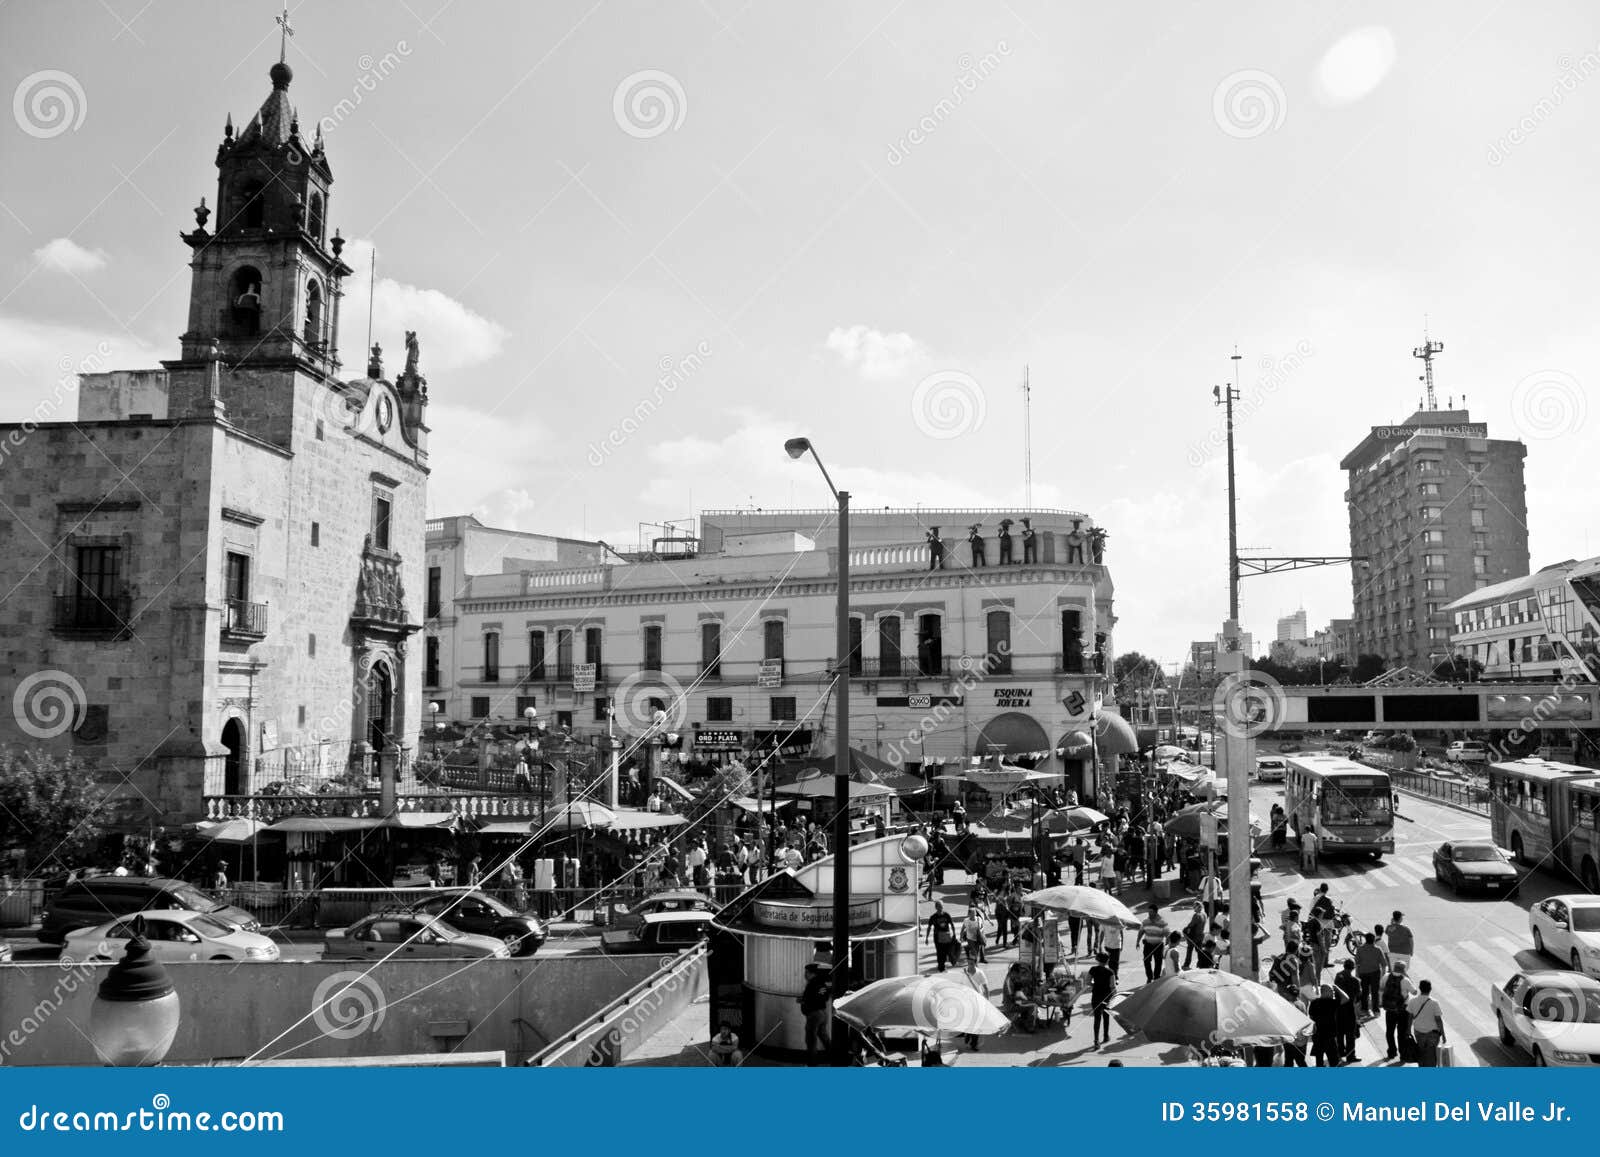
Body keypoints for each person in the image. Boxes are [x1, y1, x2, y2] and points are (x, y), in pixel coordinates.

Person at [1381, 961, 1417, 1061]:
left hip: (1389, 1009)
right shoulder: (1405, 980)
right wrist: (1409, 979)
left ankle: (1391, 1052)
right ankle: (1403, 1054)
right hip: (1403, 1010)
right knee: (1401, 1033)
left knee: (1389, 1031)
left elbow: (1381, 987)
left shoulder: (1386, 976)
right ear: (1403, 970)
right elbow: (1414, 992)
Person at [1407, 979, 1447, 1067]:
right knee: (1431, 1056)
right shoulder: (1434, 1003)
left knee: (1421, 1053)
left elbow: (1409, 1018)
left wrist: (1408, 1030)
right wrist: (1443, 1035)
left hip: (1418, 1033)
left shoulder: (1412, 1001)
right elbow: (1438, 1020)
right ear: (1430, 989)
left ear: (1420, 988)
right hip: (1432, 1034)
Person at [798, 965, 833, 1065]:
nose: (804, 975)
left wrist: (802, 1000)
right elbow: (824, 997)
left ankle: (812, 1063)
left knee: (810, 1040)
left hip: (814, 1014)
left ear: (811, 973)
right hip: (823, 1013)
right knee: (823, 1036)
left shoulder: (811, 984)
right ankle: (833, 1056)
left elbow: (809, 998)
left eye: (806, 972)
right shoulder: (822, 982)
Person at [958, 957, 990, 1050]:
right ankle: (968, 1035)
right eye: (968, 963)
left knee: (976, 1023)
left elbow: (986, 988)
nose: (969, 966)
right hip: (966, 1001)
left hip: (977, 1000)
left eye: (971, 964)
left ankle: (973, 1044)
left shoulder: (980, 973)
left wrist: (987, 1002)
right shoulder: (964, 973)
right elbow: (959, 986)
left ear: (975, 964)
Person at [1334, 959, 1362, 1062]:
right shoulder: (1356, 981)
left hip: (1339, 1009)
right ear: (1353, 968)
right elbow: (1359, 996)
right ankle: (1350, 1055)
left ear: (1344, 966)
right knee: (1350, 1034)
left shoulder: (1338, 976)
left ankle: (1341, 1052)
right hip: (1350, 1009)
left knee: (1340, 1032)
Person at [1355, 932, 1388, 1020]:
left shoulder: (1360, 949)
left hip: (1363, 973)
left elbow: (1357, 963)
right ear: (1373, 940)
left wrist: (1356, 974)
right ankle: (1376, 1010)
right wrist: (1382, 975)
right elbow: (1384, 964)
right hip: (1375, 973)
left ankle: (1364, 1009)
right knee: (1375, 992)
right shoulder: (1378, 949)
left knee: (1364, 992)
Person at [1087, 952, 1117, 1047]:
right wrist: (1115, 995)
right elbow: (1112, 986)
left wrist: (1095, 985)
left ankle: (1096, 1040)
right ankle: (1106, 1036)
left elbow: (1087, 982)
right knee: (1106, 1016)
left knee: (1097, 1018)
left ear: (1098, 960)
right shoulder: (1110, 972)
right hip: (1107, 997)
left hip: (1096, 996)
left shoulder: (1093, 969)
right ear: (1107, 961)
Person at [1002, 963, 1040, 1033]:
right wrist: (1023, 999)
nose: (1019, 975)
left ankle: (1025, 1021)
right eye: (1018, 973)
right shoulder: (1008, 981)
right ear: (1013, 972)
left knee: (1030, 1002)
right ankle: (1029, 1027)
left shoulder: (1013, 978)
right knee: (1033, 1005)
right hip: (1011, 1005)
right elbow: (1012, 997)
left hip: (1015, 1002)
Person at [1139, 906, 1169, 981]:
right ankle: (1149, 977)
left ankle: (1156, 977)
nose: (1149, 913)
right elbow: (1141, 931)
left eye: (1151, 912)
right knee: (1146, 961)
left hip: (1158, 945)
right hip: (1148, 945)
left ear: (1156, 912)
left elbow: (1167, 935)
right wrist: (1137, 941)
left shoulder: (1162, 922)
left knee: (1158, 962)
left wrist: (1166, 945)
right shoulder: (1145, 921)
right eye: (1148, 912)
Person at [926, 901, 958, 971]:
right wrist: (927, 938)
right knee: (939, 952)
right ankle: (941, 966)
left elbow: (952, 924)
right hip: (937, 937)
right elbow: (929, 927)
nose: (941, 908)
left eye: (942, 906)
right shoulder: (933, 917)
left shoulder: (946, 915)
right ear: (936, 907)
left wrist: (954, 934)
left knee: (946, 951)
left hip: (946, 936)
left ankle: (944, 964)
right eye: (939, 906)